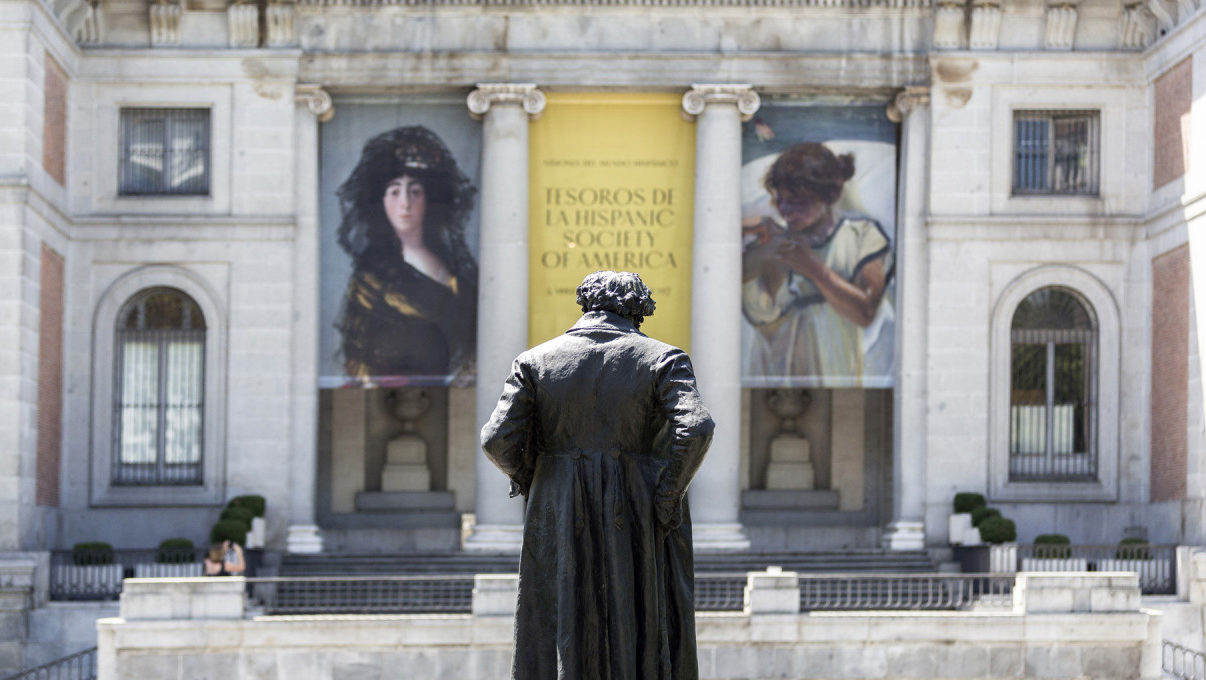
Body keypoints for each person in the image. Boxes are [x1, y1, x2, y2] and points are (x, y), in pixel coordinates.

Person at [481, 271, 714, 680]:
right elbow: (696, 427)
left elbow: (496, 439)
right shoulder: (664, 358)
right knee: (638, 616)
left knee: (561, 613)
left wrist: (536, 477)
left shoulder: (534, 361)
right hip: (637, 503)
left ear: (586, 305)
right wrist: (666, 495)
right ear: (639, 311)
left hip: (558, 500)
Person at [335, 125, 478, 384]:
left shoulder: (455, 267)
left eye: (415, 191)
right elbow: (357, 352)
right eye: (394, 192)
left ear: (428, 197)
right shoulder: (371, 278)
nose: (405, 203)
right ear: (381, 201)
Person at [741, 142, 891, 384]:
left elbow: (865, 313)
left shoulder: (861, 237)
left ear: (828, 197)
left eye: (799, 203)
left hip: (834, 374)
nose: (786, 212)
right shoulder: (773, 243)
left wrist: (814, 269)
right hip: (770, 376)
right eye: (780, 201)